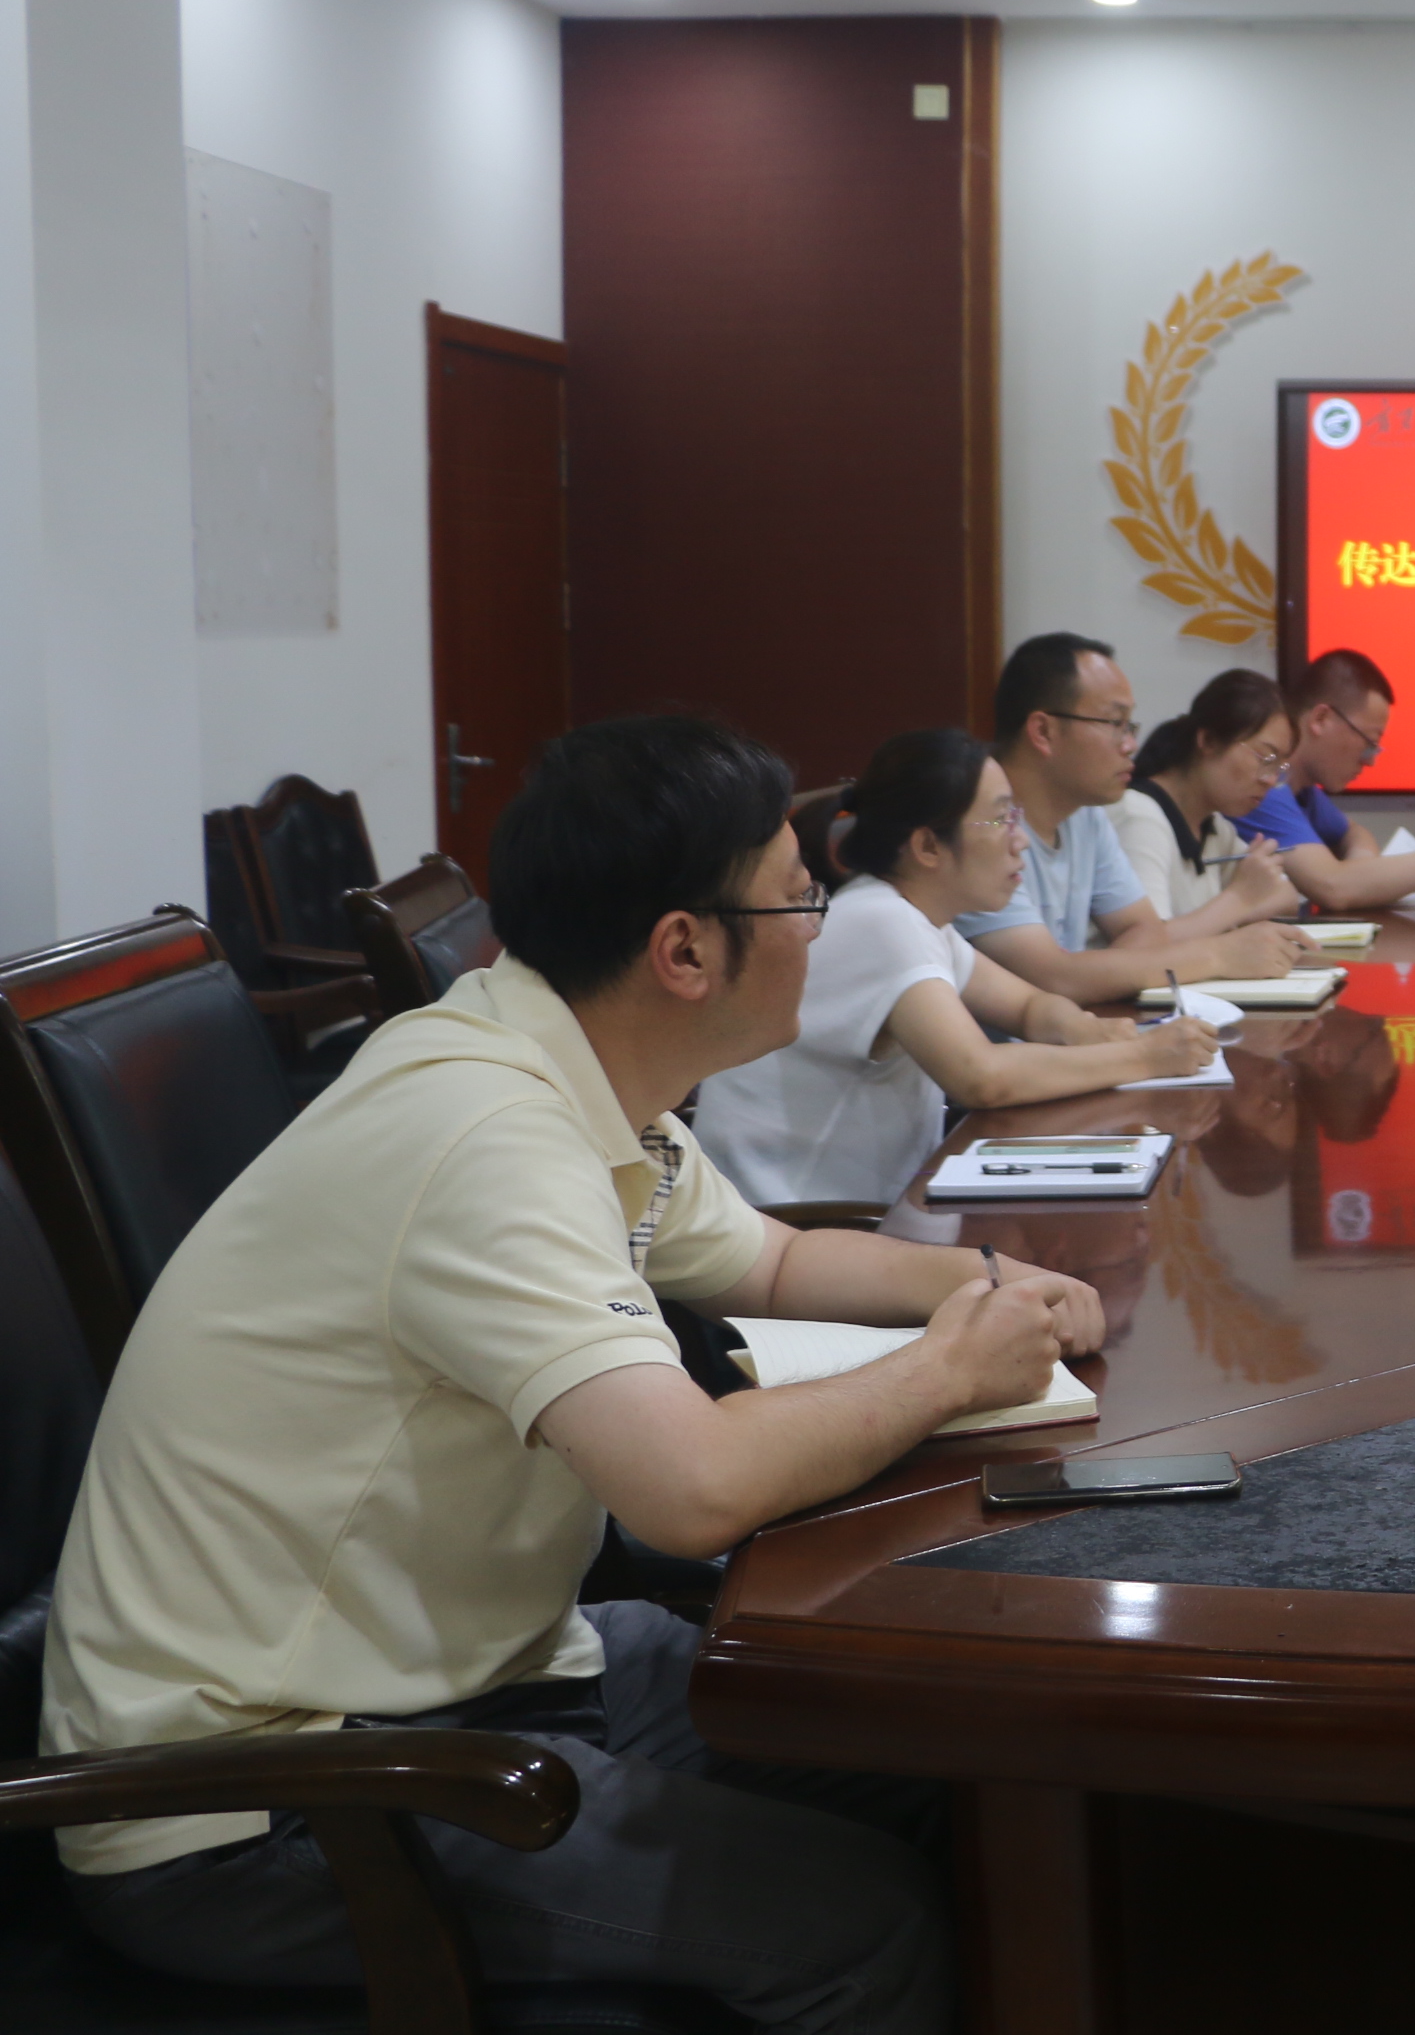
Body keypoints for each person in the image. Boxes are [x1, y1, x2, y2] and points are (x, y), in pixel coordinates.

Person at [43, 714, 1113, 2032]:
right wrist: (949, 1374)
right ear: (683, 949)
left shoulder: (568, 1063)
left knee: (952, 1767)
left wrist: (979, 1288)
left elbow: (767, 1264)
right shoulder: (488, 1135)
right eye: (796, 895)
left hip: (467, 1667)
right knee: (864, 1928)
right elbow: (691, 1490)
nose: (820, 923)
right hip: (266, 1793)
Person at [695, 727, 1227, 1204]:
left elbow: (1029, 1006)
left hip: (881, 1206)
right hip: (801, 1223)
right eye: (999, 816)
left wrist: (1093, 1032)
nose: (1018, 838)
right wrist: (1145, 1057)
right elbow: (981, 1077)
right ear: (928, 845)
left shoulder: (917, 919)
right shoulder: (880, 922)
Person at [963, 631, 1318, 1001]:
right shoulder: (977, 827)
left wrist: (1092, 977)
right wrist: (1218, 955)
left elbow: (1146, 932)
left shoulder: (1086, 816)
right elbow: (1053, 979)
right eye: (1114, 724)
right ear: (1043, 731)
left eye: (1129, 727)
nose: (1130, 744)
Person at [1243, 647, 1415, 912]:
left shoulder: (1304, 792)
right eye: (1369, 743)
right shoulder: (1262, 787)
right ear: (1321, 719)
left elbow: (1355, 833)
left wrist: (1359, 869)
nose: (1370, 761)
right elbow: (1334, 888)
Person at [1111, 670, 1302, 924]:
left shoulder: (1215, 827)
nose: (1269, 780)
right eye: (1265, 759)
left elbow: (1286, 896)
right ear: (1209, 741)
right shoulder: (1139, 816)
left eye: (1278, 767)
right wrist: (1240, 898)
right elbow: (1148, 947)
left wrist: (1236, 906)